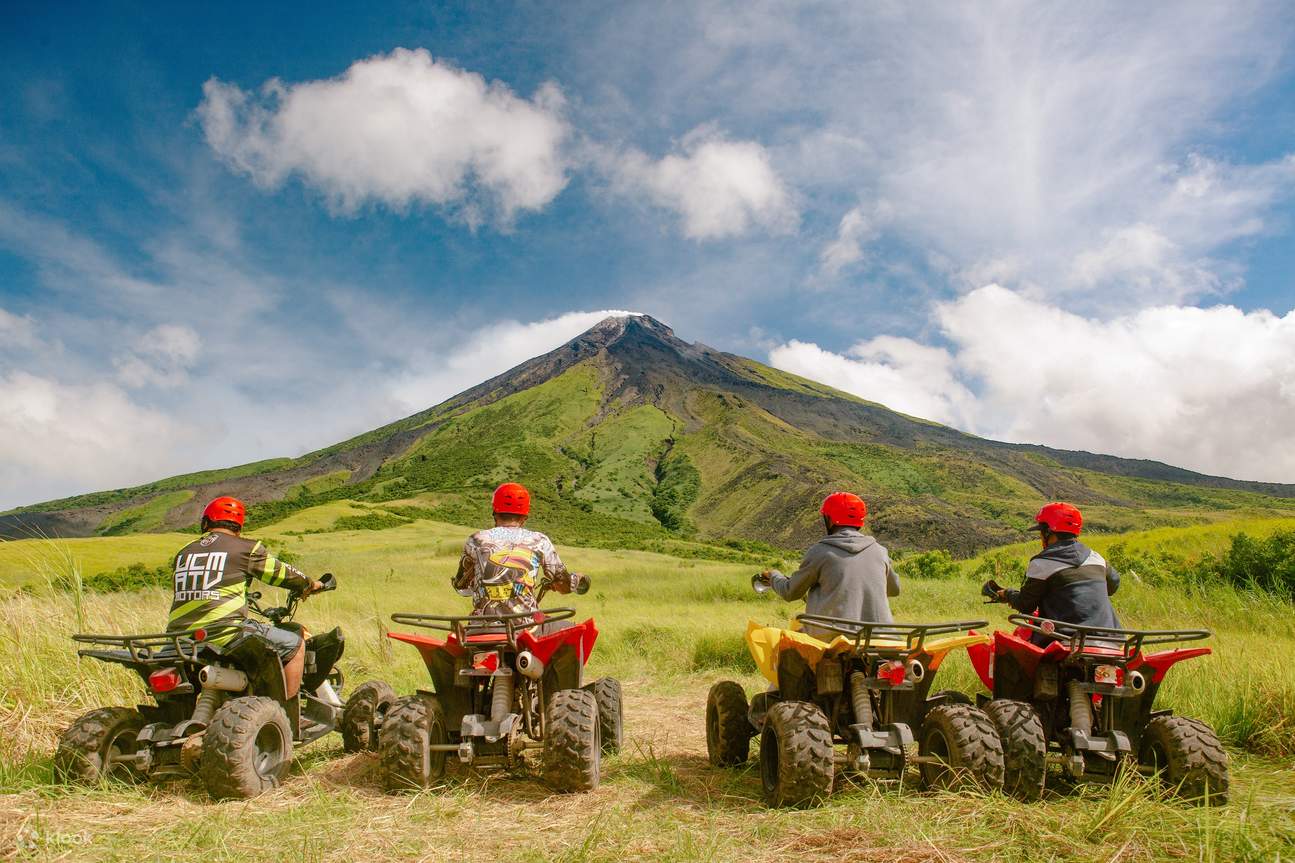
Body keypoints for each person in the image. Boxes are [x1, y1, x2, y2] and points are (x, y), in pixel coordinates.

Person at [168, 496, 323, 698]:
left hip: (178, 637)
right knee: (295, 645)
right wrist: (310, 584)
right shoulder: (246, 549)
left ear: (206, 523)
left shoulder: (184, 551)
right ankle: (285, 717)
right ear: (238, 528)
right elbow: (283, 574)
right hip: (225, 631)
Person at [755, 492, 899, 639]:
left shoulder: (820, 551)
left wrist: (773, 575)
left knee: (780, 646)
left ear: (829, 519)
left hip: (834, 639)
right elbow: (894, 590)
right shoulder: (880, 551)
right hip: (883, 638)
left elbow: (790, 592)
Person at [985, 502, 1120, 641]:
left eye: (1041, 532)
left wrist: (1007, 593)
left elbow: (1025, 605)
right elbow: (1113, 584)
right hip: (1111, 638)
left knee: (1008, 653)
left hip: (1063, 638)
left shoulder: (1042, 562)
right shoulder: (1097, 558)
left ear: (1048, 532)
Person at [452, 482, 584, 620]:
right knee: (569, 630)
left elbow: (460, 585)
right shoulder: (539, 540)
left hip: (482, 624)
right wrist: (575, 580)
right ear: (524, 517)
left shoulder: (476, 539)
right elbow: (563, 584)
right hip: (525, 625)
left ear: (495, 513)